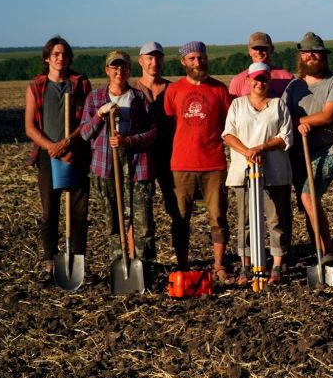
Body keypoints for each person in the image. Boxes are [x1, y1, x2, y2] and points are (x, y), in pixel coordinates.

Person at [79, 51, 157, 274]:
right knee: (113, 221)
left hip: (137, 166)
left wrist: (128, 140)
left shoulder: (139, 98)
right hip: (106, 166)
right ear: (107, 70)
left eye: (123, 67)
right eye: (114, 67)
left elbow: (153, 132)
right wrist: (100, 116)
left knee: (143, 223)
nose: (119, 71)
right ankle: (119, 266)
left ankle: (145, 269)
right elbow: (85, 134)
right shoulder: (95, 99)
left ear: (129, 70)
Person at [163, 41, 233, 282]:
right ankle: (183, 267)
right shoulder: (174, 91)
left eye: (201, 57)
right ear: (183, 61)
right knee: (181, 218)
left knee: (218, 216)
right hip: (181, 165)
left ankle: (219, 265)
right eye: (191, 58)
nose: (197, 62)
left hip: (213, 163)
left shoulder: (219, 90)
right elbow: (170, 123)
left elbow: (228, 125)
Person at [24, 36, 92, 283]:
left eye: (64, 54)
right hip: (47, 154)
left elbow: (89, 120)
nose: (60, 58)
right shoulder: (37, 86)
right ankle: (50, 264)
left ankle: (77, 262)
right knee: (49, 211)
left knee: (79, 212)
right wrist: (52, 147)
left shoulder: (80, 84)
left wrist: (68, 143)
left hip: (76, 152)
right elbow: (30, 128)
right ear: (47, 58)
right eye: (55, 54)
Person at [223, 62, 293, 285]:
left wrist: (261, 148)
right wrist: (247, 152)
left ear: (268, 80)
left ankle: (277, 266)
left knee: (276, 219)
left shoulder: (278, 105)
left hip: (275, 172)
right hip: (243, 172)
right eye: (255, 79)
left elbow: (285, 137)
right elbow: (228, 134)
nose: (259, 83)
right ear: (248, 80)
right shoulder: (237, 105)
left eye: (263, 79)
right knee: (245, 219)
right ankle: (246, 266)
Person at [282, 32, 333, 266]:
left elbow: (330, 114)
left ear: (323, 56)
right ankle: (318, 247)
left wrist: (303, 122)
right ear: (301, 57)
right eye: (307, 53)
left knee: (308, 196)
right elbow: (285, 117)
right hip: (299, 152)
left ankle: (327, 251)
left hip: (327, 149)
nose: (311, 56)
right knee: (308, 203)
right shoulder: (294, 86)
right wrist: (297, 126)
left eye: (316, 53)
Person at [130, 41, 177, 243]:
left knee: (177, 209)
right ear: (141, 61)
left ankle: (181, 263)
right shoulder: (131, 89)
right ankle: (136, 259)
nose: (154, 62)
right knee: (137, 211)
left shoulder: (173, 89)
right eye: (149, 58)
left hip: (170, 156)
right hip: (139, 157)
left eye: (158, 57)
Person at [227, 31, 294, 98]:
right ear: (249, 51)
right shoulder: (238, 81)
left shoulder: (287, 78)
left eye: (263, 48)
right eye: (255, 48)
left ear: (272, 49)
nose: (259, 52)